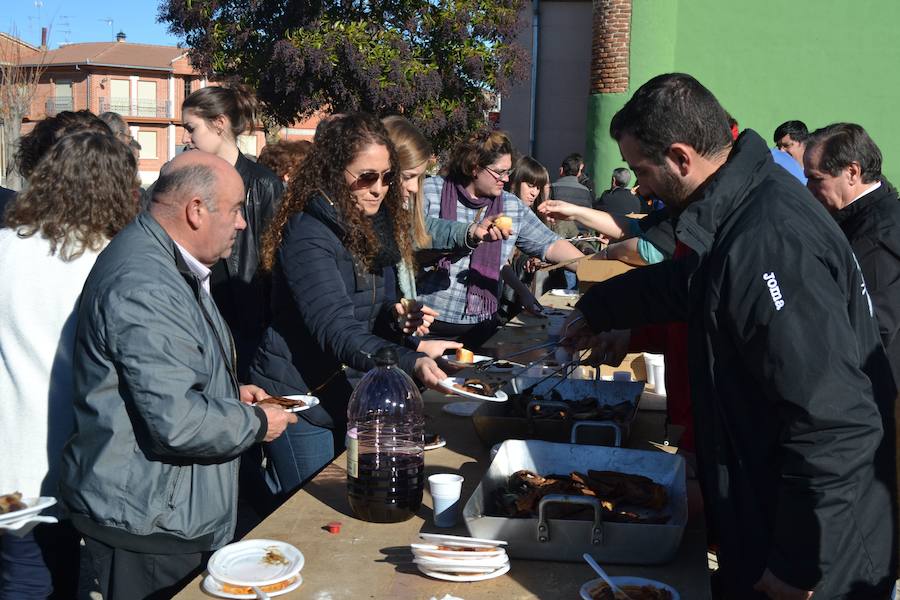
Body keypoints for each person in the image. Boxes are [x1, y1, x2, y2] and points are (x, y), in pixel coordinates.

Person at [565, 73, 897, 598]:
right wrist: (601, 307)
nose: (639, 188)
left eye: (642, 171)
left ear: (680, 157)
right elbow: (696, 282)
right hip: (764, 509)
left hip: (818, 550)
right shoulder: (739, 206)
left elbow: (834, 421)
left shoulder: (769, 238)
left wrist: (795, 565)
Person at [58, 150, 296, 600]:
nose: (242, 223)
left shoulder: (163, 261)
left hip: (158, 510)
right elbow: (178, 422)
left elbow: (167, 375)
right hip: (149, 523)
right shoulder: (147, 282)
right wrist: (260, 423)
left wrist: (228, 392)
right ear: (195, 210)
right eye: (235, 210)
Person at [250, 113, 452, 491]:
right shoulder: (307, 234)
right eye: (367, 176)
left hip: (348, 391)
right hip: (300, 396)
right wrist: (412, 360)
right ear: (332, 170)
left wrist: (401, 323)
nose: (379, 188)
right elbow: (336, 328)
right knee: (306, 513)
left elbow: (374, 310)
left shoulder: (374, 224)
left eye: (388, 176)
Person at [0, 131, 139, 600]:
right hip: (68, 455)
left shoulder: (5, 246)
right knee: (46, 575)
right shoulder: (105, 261)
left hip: (9, 456)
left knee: (23, 570)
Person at [417, 130, 583, 347]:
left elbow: (550, 244)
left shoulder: (511, 206)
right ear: (474, 167)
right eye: (500, 172)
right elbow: (409, 247)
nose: (506, 179)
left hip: (481, 328)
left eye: (509, 172)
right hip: (426, 327)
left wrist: (593, 268)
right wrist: (467, 235)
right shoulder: (431, 192)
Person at [181, 85, 285, 379]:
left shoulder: (264, 184)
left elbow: (275, 259)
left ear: (219, 123)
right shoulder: (186, 181)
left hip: (249, 324)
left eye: (191, 128)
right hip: (201, 321)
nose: (186, 138)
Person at [804, 123, 900, 383]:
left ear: (852, 172)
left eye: (816, 179)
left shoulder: (877, 235)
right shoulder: (861, 218)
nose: (808, 189)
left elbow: (874, 324)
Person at [381, 114, 505, 300]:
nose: (415, 188)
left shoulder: (391, 213)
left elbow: (422, 228)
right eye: (407, 177)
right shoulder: (351, 222)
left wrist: (470, 232)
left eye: (419, 178)